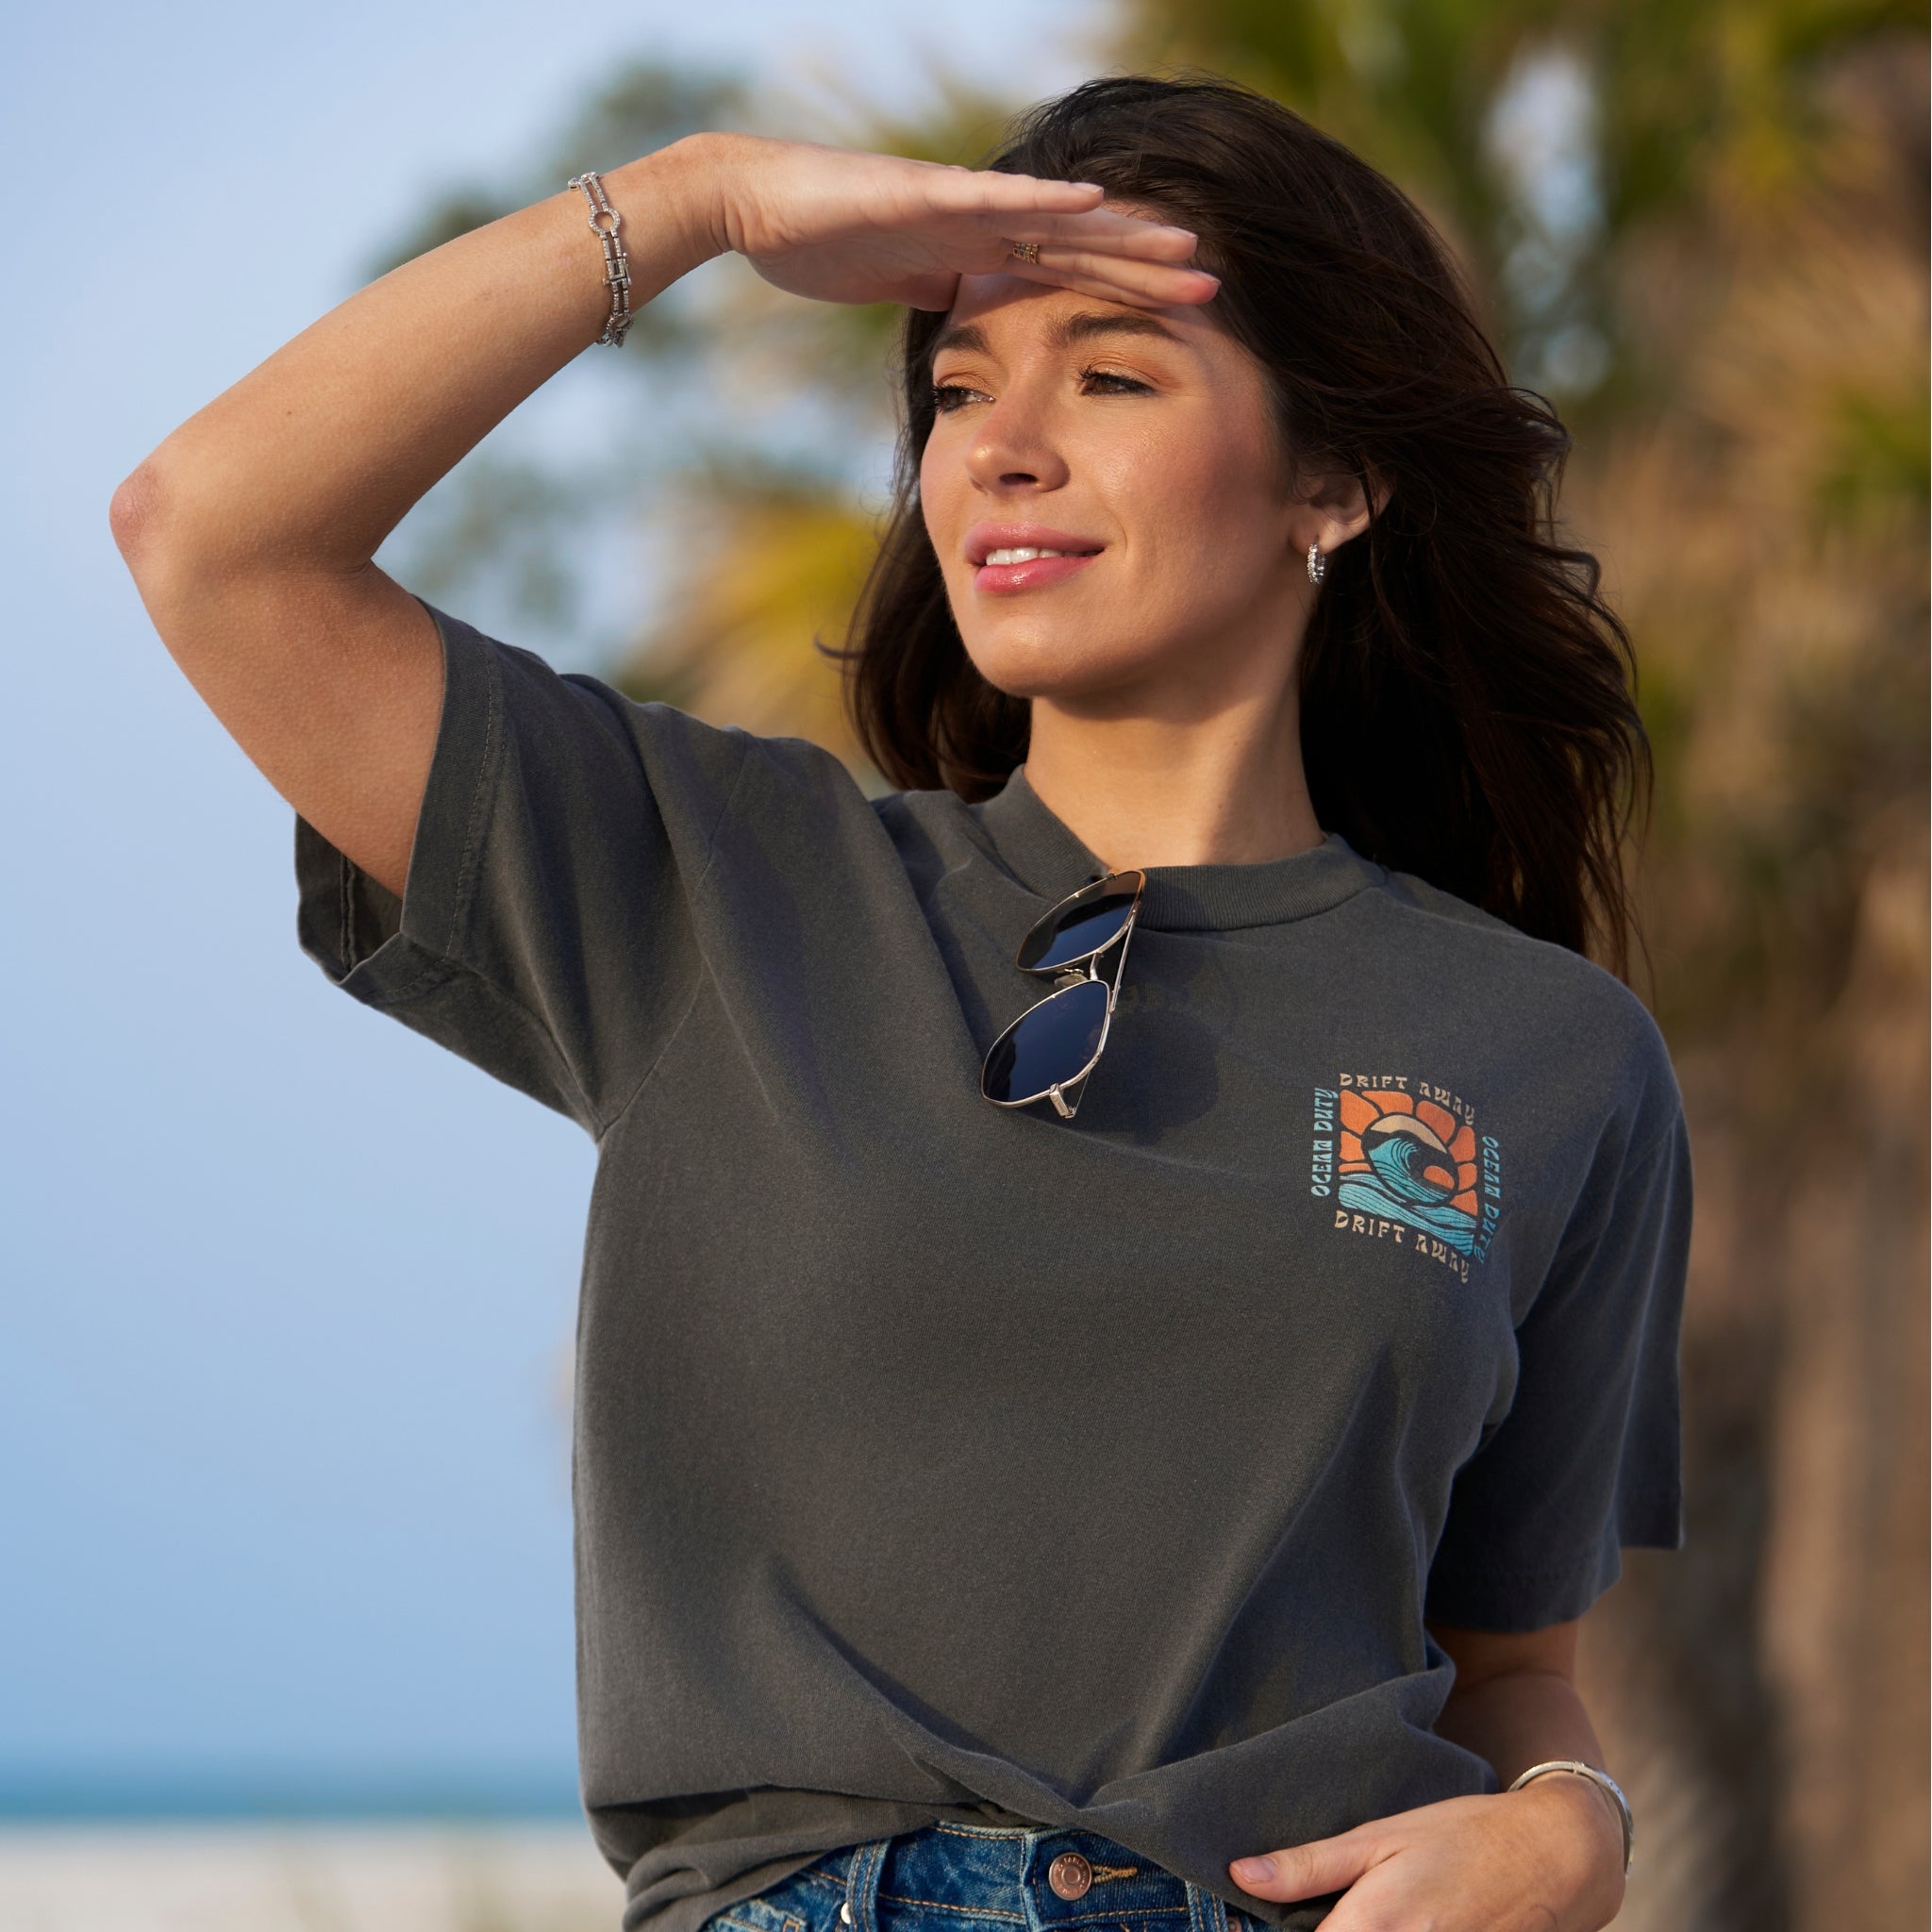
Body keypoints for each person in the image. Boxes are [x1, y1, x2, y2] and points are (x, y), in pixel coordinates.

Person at [111, 72, 1689, 1932]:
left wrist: (1575, 1826)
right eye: (954, 391)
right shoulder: (716, 883)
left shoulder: (1554, 1058)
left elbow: (1511, 1665)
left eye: (1110, 377)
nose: (1000, 448)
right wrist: (695, 201)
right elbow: (211, 532)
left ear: (1332, 483)